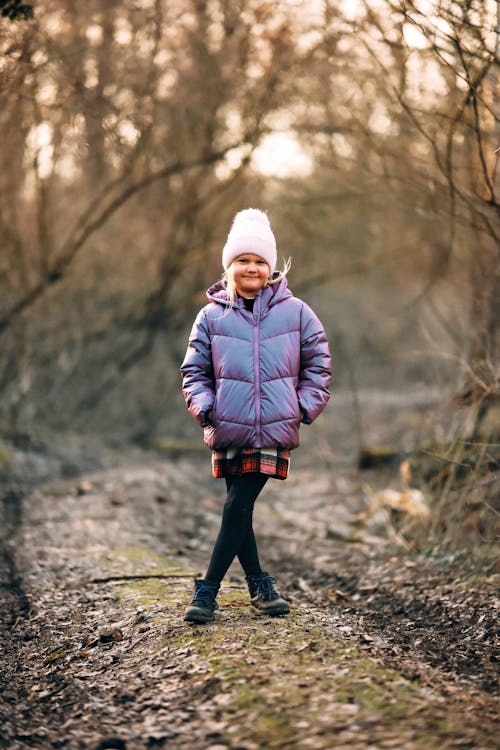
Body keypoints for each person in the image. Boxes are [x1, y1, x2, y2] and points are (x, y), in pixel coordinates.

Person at [180, 208, 331, 623]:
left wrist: (301, 407)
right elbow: (193, 372)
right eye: (244, 260)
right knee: (238, 508)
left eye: (260, 261)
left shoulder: (297, 312)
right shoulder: (211, 316)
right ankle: (261, 587)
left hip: (274, 427)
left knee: (239, 503)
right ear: (230, 267)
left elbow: (319, 364)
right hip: (227, 424)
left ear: (272, 267)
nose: (252, 268)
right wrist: (206, 408)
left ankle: (207, 592)